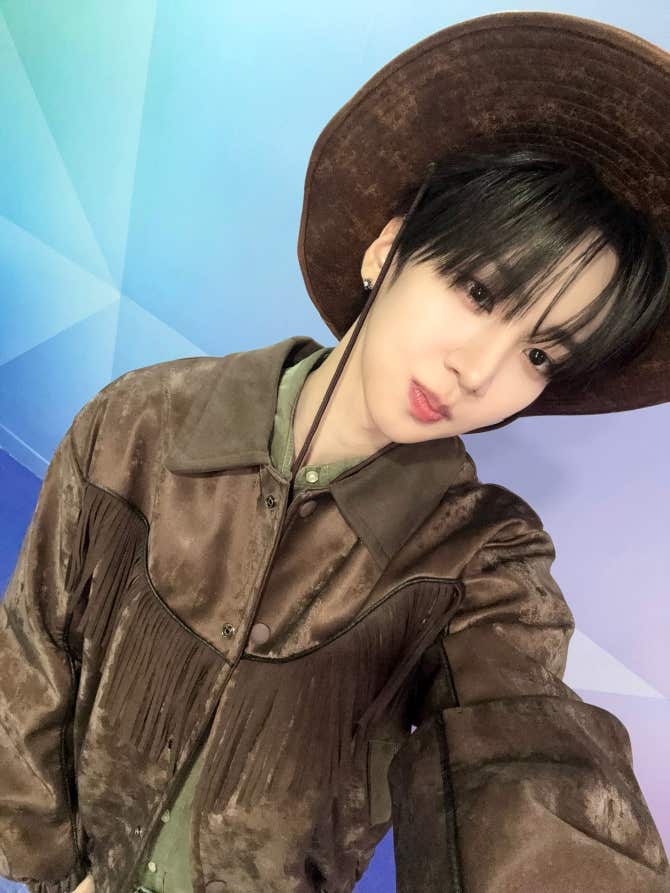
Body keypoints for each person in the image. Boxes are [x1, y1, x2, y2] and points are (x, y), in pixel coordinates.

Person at [1, 11, 669, 893]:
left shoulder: (479, 557)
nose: (481, 372)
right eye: (479, 291)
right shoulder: (140, 422)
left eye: (541, 355)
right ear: (388, 247)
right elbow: (34, 654)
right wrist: (51, 867)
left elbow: (528, 756)